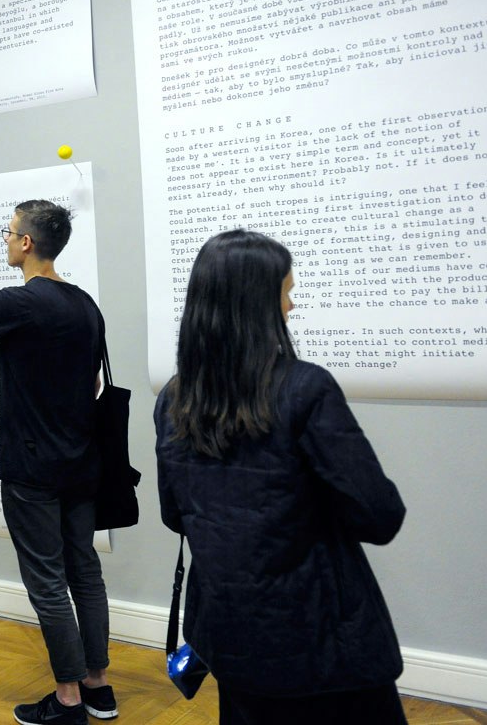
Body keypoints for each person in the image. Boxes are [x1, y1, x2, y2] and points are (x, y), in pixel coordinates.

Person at [154, 230, 407, 725]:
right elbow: (380, 516)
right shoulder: (305, 388)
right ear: (258, 305)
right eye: (286, 293)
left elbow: (175, 515)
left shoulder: (174, 399)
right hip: (320, 634)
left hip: (231, 632)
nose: (291, 306)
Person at [0, 200, 114, 725]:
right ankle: (98, 687)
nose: (6, 240)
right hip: (82, 462)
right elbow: (93, 384)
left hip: (31, 468)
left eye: (9, 233)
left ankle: (68, 699)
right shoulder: (85, 304)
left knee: (47, 581)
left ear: (27, 243)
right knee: (85, 572)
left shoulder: (19, 300)